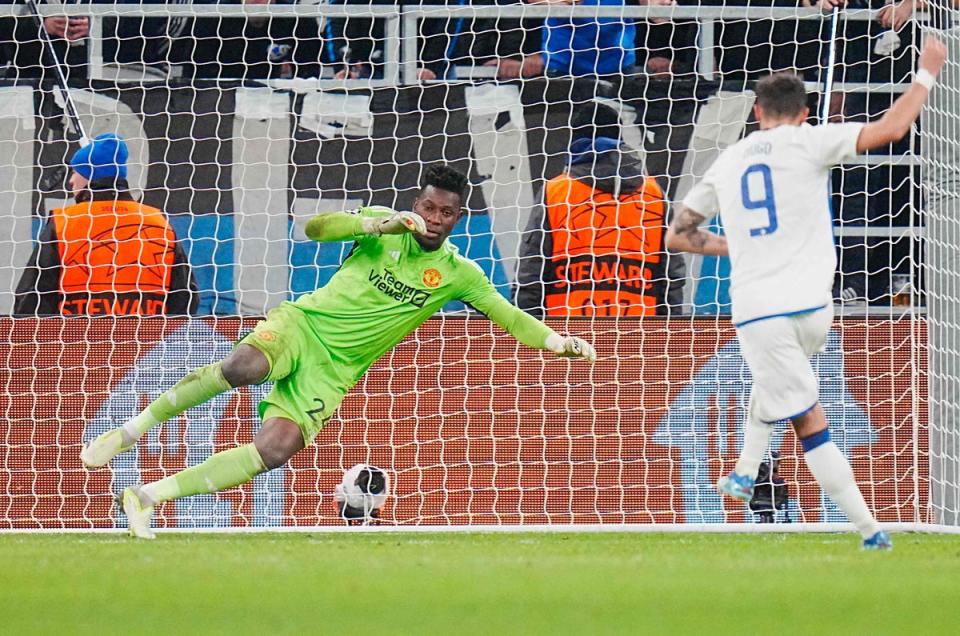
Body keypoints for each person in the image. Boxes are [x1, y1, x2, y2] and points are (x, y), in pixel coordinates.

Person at [80, 164, 597, 539]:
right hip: (303, 324)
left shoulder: (459, 274)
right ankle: (127, 434)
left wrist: (557, 342)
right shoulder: (380, 226)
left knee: (276, 450)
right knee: (243, 366)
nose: (434, 218)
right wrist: (376, 224)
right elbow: (314, 229)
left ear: (458, 219)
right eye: (427, 207)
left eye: (446, 212)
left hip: (336, 371)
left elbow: (509, 315)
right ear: (416, 205)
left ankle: (145, 498)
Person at [664, 36, 947, 549]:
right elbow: (892, 128)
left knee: (808, 421)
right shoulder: (812, 139)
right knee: (773, 384)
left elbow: (678, 234)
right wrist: (927, 72)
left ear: (755, 111)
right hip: (817, 308)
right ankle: (746, 471)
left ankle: (869, 531)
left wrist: (739, 246)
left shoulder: (730, 160)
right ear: (805, 111)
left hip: (760, 310)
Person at [14, 133, 197, 316]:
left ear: (89, 176)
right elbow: (186, 298)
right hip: (146, 341)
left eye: (76, 172)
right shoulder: (159, 223)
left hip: (77, 341)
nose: (71, 181)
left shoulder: (64, 223)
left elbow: (31, 298)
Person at [515, 101, 670, 317]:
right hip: (639, 334)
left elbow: (531, 270)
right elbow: (671, 276)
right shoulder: (654, 193)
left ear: (574, 141)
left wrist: (527, 332)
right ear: (620, 139)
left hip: (565, 334)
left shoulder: (556, 191)